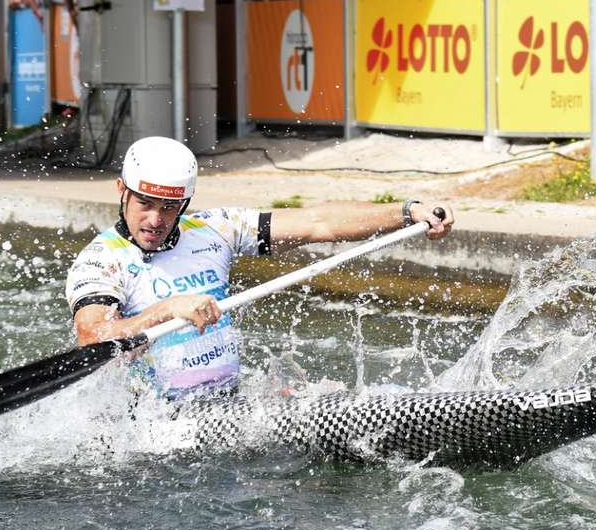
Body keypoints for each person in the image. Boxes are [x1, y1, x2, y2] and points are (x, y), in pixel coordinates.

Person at [65, 136, 454, 401]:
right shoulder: (101, 259)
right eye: (145, 204)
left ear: (184, 203)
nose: (155, 219)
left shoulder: (214, 229)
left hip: (230, 402)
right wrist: (168, 308)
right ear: (122, 190)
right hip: (157, 421)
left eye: (169, 208)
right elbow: (93, 339)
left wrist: (406, 212)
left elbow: (320, 223)